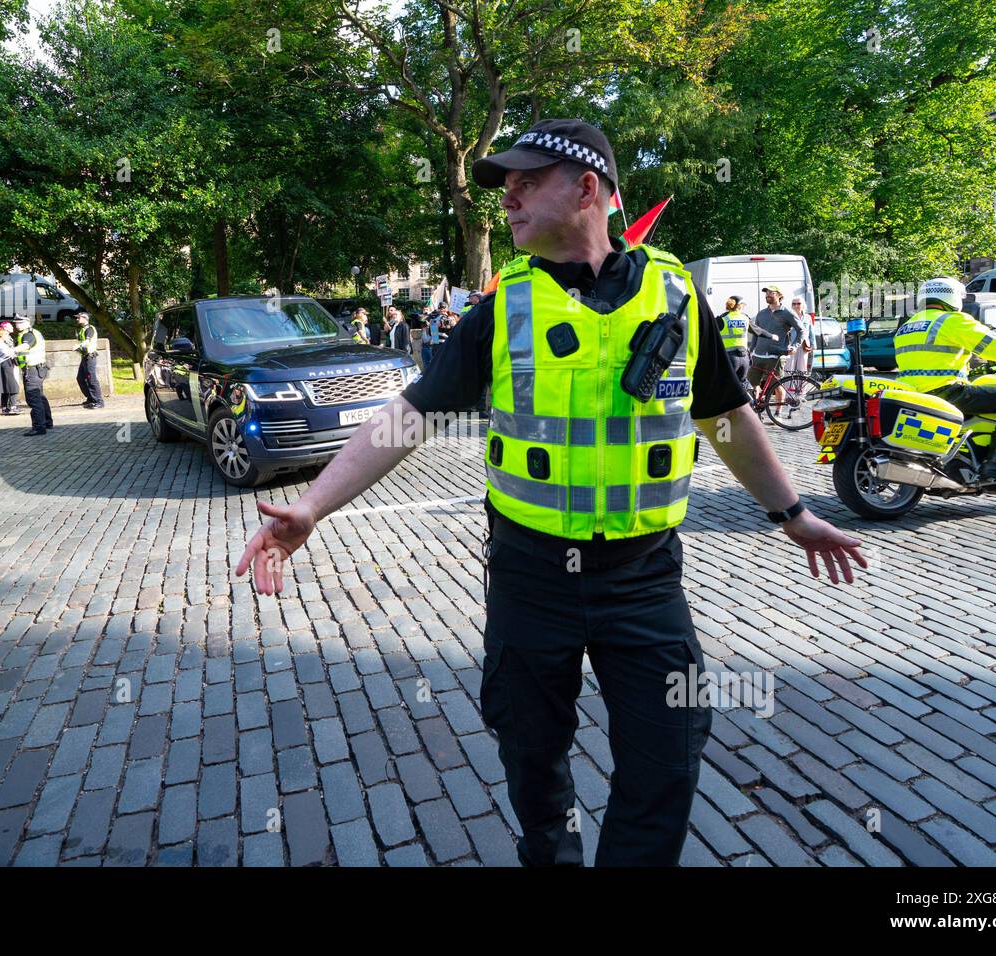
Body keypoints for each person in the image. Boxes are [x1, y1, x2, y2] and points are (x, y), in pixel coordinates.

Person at [234, 118, 865, 867]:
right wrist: (310, 506)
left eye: (527, 182)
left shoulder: (675, 294)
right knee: (532, 756)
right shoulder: (505, 306)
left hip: (645, 576)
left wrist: (793, 515)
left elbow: (724, 419)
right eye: (505, 186)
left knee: (669, 754)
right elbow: (408, 416)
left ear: (588, 187)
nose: (508, 199)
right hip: (532, 576)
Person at [895, 277, 996, 484]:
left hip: (915, 395)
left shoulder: (909, 326)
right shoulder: (952, 320)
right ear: (954, 297)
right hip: (947, 392)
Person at [748, 285, 804, 406]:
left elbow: (801, 330)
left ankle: (778, 413)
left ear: (779, 295)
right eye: (766, 292)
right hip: (758, 354)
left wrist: (794, 346)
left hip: (776, 355)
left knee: (777, 385)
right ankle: (757, 405)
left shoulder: (787, 312)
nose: (767, 294)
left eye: (771, 292)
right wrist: (751, 351)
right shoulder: (762, 313)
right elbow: (756, 333)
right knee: (753, 383)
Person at [13, 314, 53, 435]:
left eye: (19, 322)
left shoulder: (28, 335)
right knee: (39, 396)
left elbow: (26, 345)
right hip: (37, 369)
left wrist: (13, 350)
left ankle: (39, 427)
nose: (16, 324)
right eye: (16, 322)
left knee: (33, 398)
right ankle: (46, 422)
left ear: (27, 322)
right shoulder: (32, 332)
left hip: (33, 369)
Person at [715, 294, 751, 390]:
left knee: (725, 386)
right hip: (744, 358)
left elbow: (709, 330)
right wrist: (772, 336)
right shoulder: (745, 318)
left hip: (730, 358)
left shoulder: (722, 319)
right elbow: (758, 331)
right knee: (742, 387)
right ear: (740, 306)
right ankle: (749, 403)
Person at [0, 323, 21, 414]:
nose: (7, 335)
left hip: (6, 364)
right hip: (4, 365)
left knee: (5, 387)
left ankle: (5, 408)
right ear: (0, 335)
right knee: (13, 385)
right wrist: (18, 350)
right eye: (5, 334)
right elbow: (8, 352)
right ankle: (12, 407)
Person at [75, 310, 104, 409]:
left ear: (85, 318)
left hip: (90, 357)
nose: (77, 319)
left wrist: (79, 345)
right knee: (80, 378)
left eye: (79, 317)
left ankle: (99, 401)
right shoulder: (82, 329)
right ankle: (91, 398)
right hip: (84, 357)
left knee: (91, 379)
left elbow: (87, 341)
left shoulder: (90, 329)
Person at [785, 296, 814, 377]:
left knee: (802, 369)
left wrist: (813, 345)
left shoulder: (808, 317)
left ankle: (801, 389)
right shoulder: (788, 316)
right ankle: (788, 389)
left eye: (798, 303)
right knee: (789, 368)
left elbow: (811, 332)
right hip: (791, 345)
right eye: (794, 304)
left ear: (803, 305)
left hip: (804, 345)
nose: (796, 306)